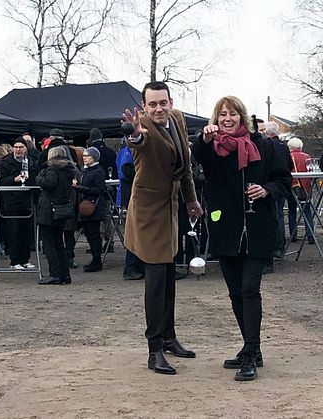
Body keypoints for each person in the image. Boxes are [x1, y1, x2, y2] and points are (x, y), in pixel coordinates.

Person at [193, 95, 291, 381]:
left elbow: (284, 180)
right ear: (216, 118)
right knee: (235, 292)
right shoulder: (214, 149)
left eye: (232, 114)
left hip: (258, 228)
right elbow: (197, 158)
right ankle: (252, 347)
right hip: (226, 228)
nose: (227, 118)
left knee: (250, 290)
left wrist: (267, 190)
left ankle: (250, 352)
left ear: (242, 116)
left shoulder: (264, 145)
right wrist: (204, 140)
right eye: (222, 114)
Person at [121, 81, 202, 375]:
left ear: (171, 101)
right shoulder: (140, 126)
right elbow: (137, 143)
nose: (158, 109)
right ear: (144, 106)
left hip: (171, 207)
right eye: (152, 104)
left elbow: (186, 167)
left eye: (162, 103)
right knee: (156, 279)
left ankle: (169, 337)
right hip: (147, 210)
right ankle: (154, 349)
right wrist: (134, 134)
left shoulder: (177, 118)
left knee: (168, 275)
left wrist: (191, 200)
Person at [37, 146, 79, 285]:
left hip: (49, 210)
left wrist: (39, 178)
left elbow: (49, 184)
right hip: (62, 209)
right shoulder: (69, 170)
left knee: (49, 244)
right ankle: (65, 274)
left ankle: (54, 273)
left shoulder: (51, 170)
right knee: (59, 243)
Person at [0, 137, 37, 270]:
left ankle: (25, 259)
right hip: (11, 202)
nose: (18, 149)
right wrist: (13, 179)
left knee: (26, 232)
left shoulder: (31, 162)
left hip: (27, 202)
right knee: (14, 232)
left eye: (21, 147)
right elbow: (0, 181)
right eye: (16, 147)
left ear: (26, 148)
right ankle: (15, 261)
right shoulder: (5, 162)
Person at [75, 146, 107, 272]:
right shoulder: (84, 170)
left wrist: (82, 188)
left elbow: (100, 189)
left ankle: (97, 260)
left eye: (87, 156)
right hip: (85, 205)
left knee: (94, 234)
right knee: (89, 234)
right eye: (84, 156)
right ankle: (95, 259)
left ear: (94, 157)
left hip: (93, 206)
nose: (84, 158)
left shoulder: (98, 171)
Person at [116, 140, 145, 280]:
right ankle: (131, 267)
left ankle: (138, 266)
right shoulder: (128, 151)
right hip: (133, 197)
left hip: (136, 196)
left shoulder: (128, 150)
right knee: (135, 233)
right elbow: (126, 172)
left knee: (140, 233)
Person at [265, 122, 293, 259]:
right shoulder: (284, 146)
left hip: (270, 185)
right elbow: (290, 165)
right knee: (280, 214)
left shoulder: (267, 146)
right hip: (281, 185)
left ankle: (275, 246)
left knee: (273, 216)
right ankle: (280, 246)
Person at [288, 137, 314, 244]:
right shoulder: (307, 157)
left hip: (293, 185)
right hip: (306, 187)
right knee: (307, 211)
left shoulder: (289, 157)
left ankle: (293, 235)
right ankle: (310, 235)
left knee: (292, 211)